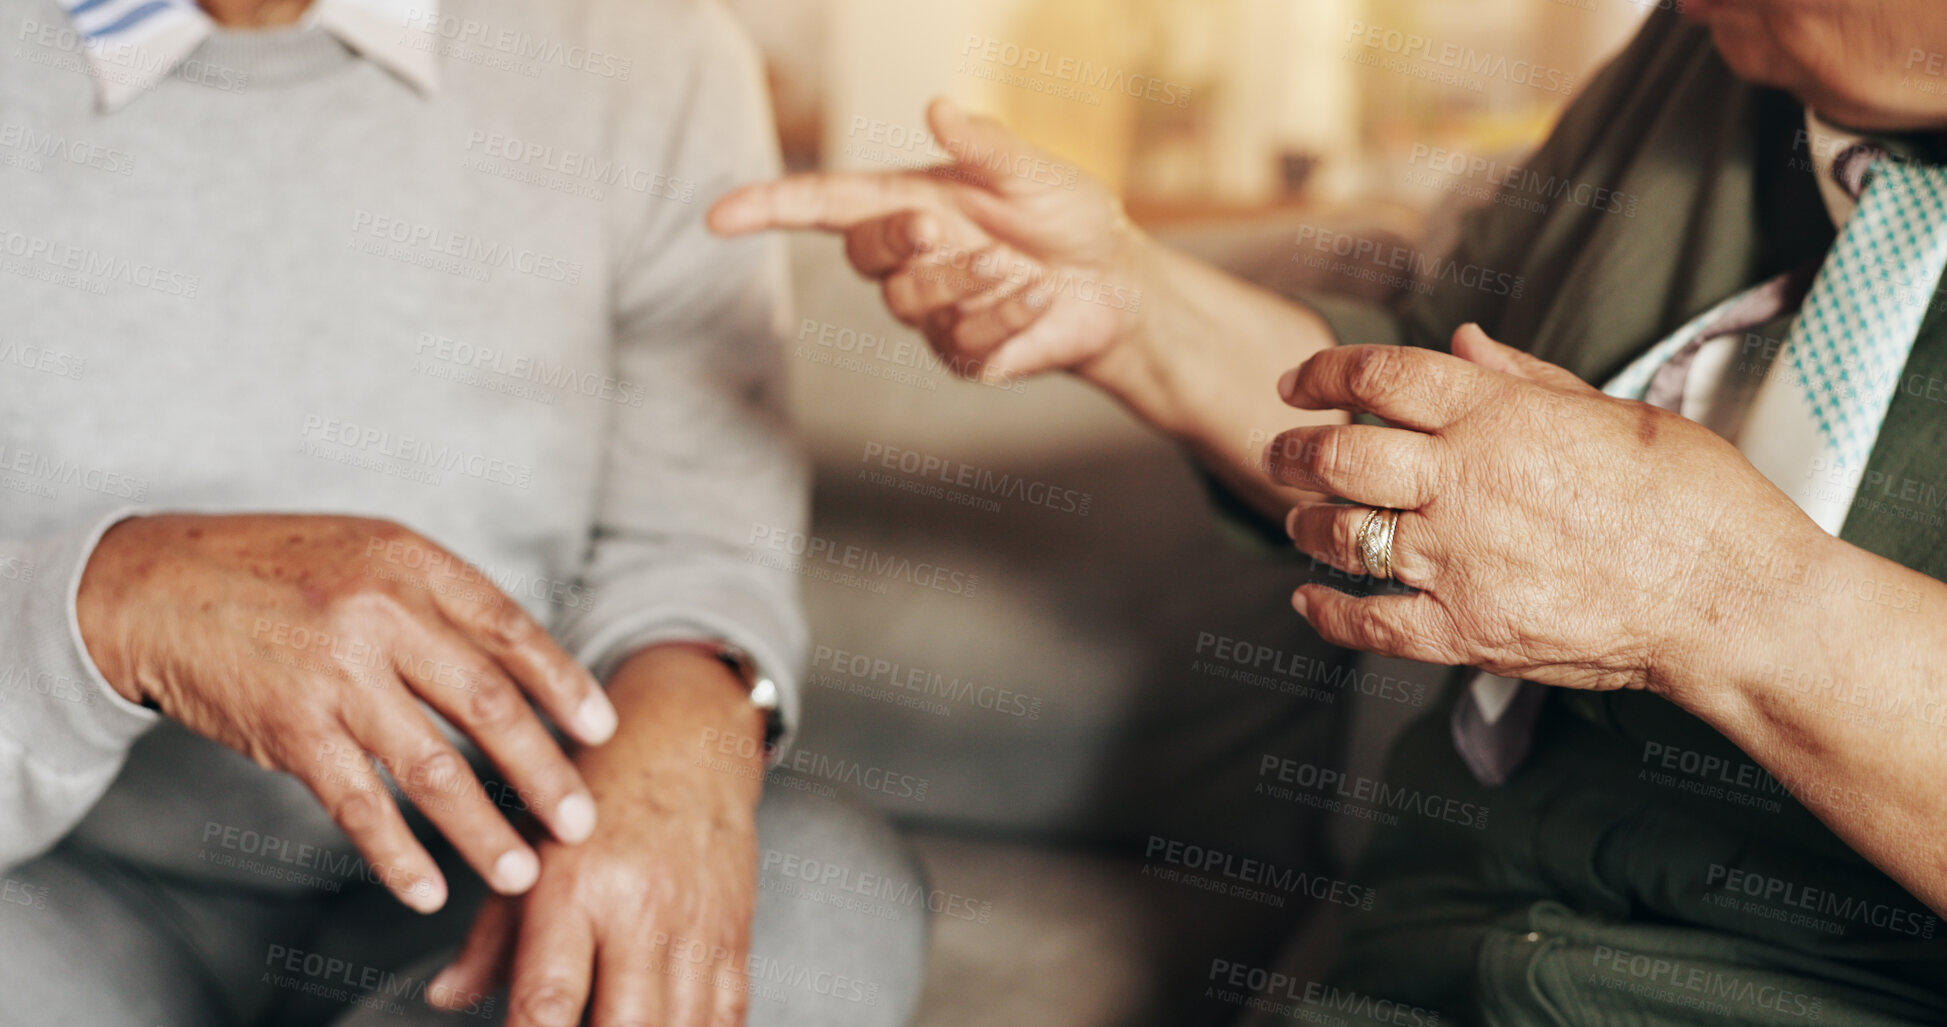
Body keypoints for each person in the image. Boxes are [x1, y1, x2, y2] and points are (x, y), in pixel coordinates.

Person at [711, 1, 1947, 1021]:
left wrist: (1716, 597)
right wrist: (1134, 309)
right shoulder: (1714, 50)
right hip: (1410, 967)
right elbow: (1430, 430)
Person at [0, 0, 925, 1024]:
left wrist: (684, 744)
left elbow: (692, 537)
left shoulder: (651, 52)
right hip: (53, 888)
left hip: (506, 871)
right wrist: (108, 603)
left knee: (822, 893)